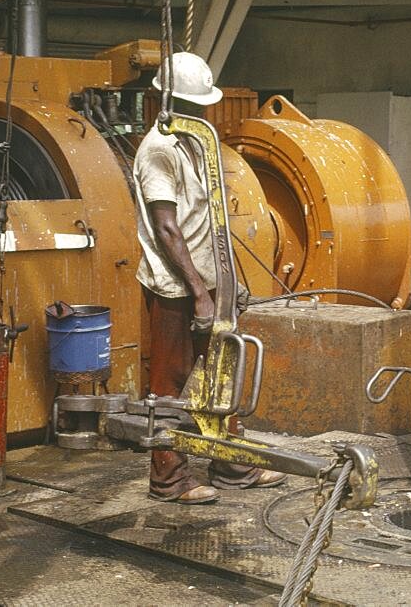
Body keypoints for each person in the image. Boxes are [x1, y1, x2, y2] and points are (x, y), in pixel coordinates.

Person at [134, 52, 285, 504]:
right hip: (175, 288)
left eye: (201, 108)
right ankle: (169, 480)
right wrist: (199, 292)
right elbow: (166, 227)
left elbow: (212, 218)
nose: (198, 116)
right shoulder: (158, 150)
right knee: (172, 381)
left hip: (207, 282)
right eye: (189, 107)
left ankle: (231, 465)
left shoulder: (196, 143)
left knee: (220, 372)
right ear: (166, 101)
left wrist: (228, 280)